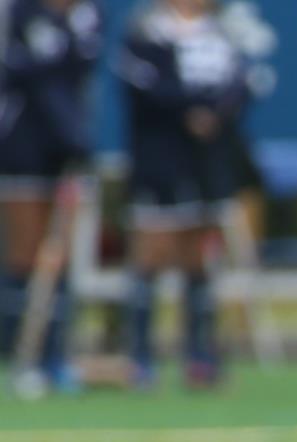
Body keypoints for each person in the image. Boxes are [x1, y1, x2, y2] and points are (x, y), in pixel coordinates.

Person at [113, 0, 252, 388]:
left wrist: (214, 113)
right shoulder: (146, 33)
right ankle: (140, 356)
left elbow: (240, 85)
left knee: (200, 256)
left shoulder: (223, 33)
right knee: (151, 253)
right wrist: (189, 110)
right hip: (160, 159)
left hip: (207, 161)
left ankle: (199, 355)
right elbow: (147, 88)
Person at [0, 0, 102, 389]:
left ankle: (54, 353)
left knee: (60, 257)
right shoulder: (20, 13)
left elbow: (78, 74)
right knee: (22, 257)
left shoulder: (88, 15)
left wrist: (75, 141)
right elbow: (32, 77)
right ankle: (16, 352)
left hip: (68, 151)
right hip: (22, 146)